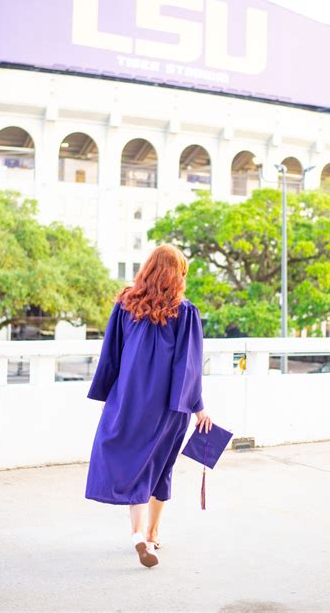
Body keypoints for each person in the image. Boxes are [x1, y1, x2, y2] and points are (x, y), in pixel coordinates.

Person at [85, 243, 212, 568]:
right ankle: (151, 534)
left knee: (134, 467)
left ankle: (140, 534)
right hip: (169, 407)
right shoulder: (185, 312)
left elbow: (110, 356)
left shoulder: (126, 304)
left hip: (128, 402)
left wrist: (106, 399)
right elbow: (189, 367)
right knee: (159, 468)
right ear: (178, 275)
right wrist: (198, 409)